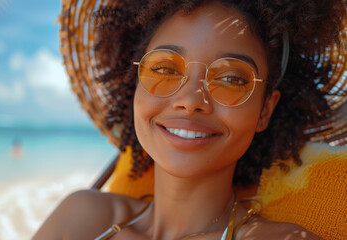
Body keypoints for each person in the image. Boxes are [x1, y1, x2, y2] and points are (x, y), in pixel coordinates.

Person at [33, 0, 346, 239]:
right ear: (136, 87)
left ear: (265, 110)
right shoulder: (82, 218)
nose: (191, 100)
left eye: (232, 79)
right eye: (165, 70)